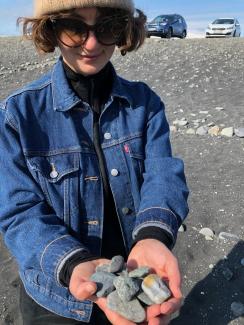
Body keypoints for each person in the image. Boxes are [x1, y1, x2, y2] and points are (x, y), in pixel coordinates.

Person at [0, 0, 189, 324]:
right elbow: (18, 212)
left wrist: (152, 238)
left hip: (133, 280)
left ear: (124, 29)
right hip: (54, 297)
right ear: (52, 28)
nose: (91, 43)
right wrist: (73, 263)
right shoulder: (18, 116)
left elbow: (163, 175)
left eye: (107, 28)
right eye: (75, 27)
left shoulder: (145, 104)